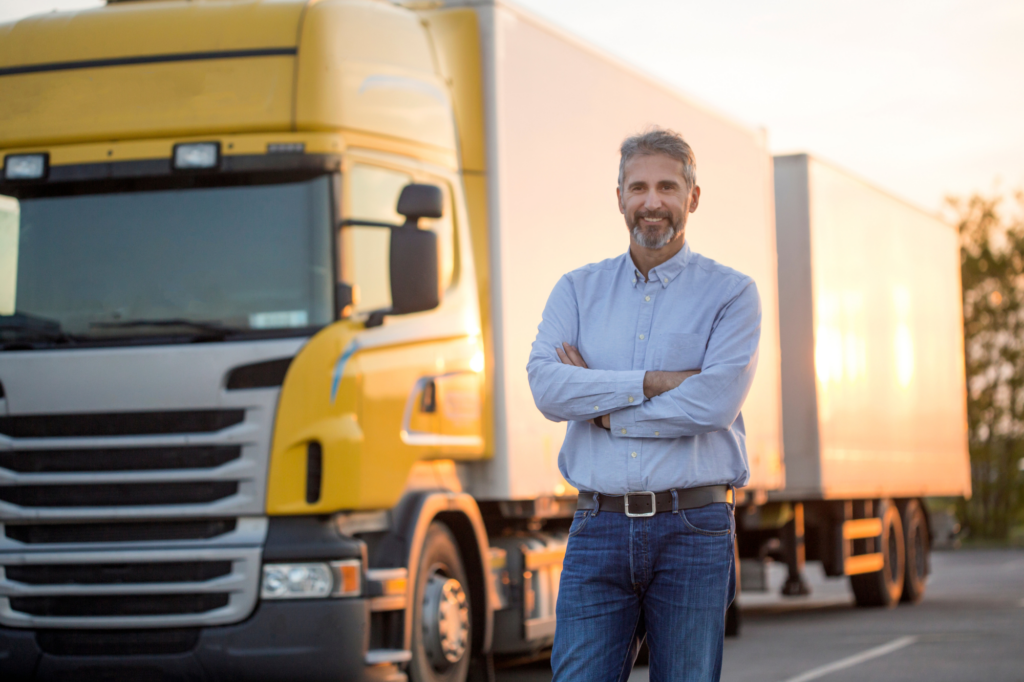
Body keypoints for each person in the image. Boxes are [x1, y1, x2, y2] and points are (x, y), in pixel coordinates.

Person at [526, 128, 760, 682]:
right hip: (597, 524)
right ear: (620, 198)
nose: (651, 202)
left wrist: (602, 407)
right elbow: (547, 389)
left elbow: (712, 405)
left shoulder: (730, 293)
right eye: (638, 187)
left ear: (692, 198)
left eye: (667, 187)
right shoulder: (576, 291)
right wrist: (654, 381)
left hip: (693, 526)